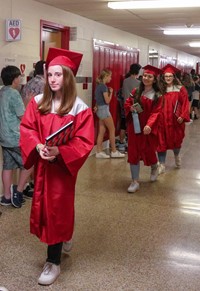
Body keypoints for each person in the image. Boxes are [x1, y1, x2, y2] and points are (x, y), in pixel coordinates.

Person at [19, 48, 94, 286]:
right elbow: (27, 128)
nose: (53, 79)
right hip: (42, 166)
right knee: (45, 208)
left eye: (58, 74)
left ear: (68, 77)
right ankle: (65, 235)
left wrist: (60, 150)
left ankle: (53, 262)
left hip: (61, 170)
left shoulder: (79, 108)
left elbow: (84, 141)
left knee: (57, 209)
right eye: (50, 74)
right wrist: (38, 145)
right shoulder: (38, 103)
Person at [124, 65, 162, 193]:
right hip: (134, 127)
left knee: (149, 150)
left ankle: (154, 166)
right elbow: (127, 102)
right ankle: (135, 181)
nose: (146, 78)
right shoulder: (136, 91)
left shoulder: (157, 95)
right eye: (145, 75)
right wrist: (130, 107)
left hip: (148, 129)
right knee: (133, 152)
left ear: (155, 79)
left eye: (149, 76)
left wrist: (149, 125)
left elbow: (156, 113)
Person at [0, 66, 32, 208]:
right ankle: (17, 191)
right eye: (19, 77)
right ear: (14, 79)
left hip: (4, 137)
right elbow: (23, 116)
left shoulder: (2, 92)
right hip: (15, 137)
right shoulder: (14, 94)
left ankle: (6, 197)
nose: (21, 79)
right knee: (29, 163)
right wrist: (29, 102)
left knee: (8, 166)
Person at [157, 64, 190, 174]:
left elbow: (185, 104)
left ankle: (177, 155)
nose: (168, 78)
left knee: (176, 140)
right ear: (163, 77)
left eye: (170, 76)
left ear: (174, 76)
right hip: (162, 120)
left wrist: (183, 116)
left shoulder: (180, 89)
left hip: (176, 121)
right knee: (161, 142)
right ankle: (161, 164)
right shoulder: (160, 89)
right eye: (166, 76)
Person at [21, 60, 46, 198]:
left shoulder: (29, 83)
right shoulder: (44, 85)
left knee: (29, 153)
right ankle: (36, 183)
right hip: (37, 123)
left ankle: (29, 183)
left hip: (26, 121)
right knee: (37, 154)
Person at [95, 68, 125, 159]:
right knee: (112, 130)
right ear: (106, 76)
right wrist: (111, 93)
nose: (111, 78)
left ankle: (99, 151)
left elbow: (97, 100)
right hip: (104, 110)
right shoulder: (103, 87)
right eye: (110, 76)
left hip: (100, 110)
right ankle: (114, 151)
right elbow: (107, 101)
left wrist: (96, 106)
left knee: (102, 131)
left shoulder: (98, 86)